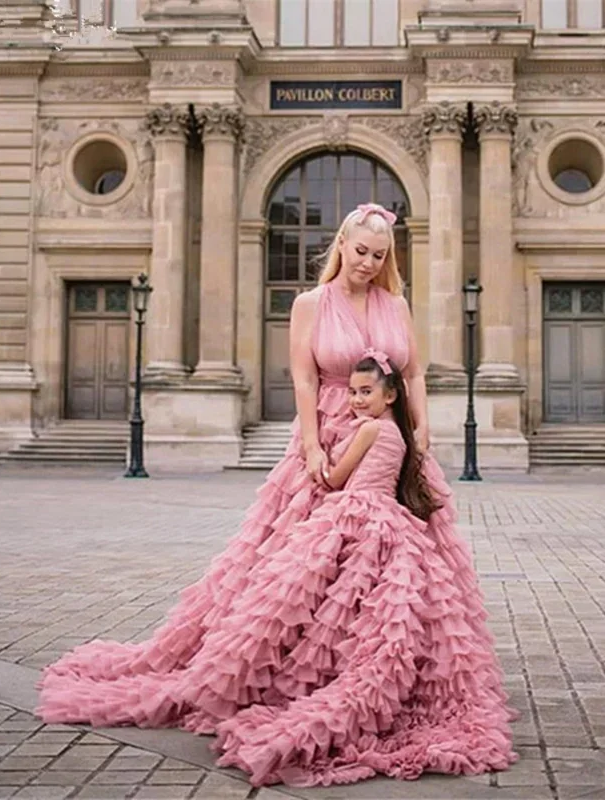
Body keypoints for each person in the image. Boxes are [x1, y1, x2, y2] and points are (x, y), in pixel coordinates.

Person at [36, 203, 517, 787]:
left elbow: (412, 373)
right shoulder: (311, 305)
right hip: (332, 433)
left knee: (405, 564)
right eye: (360, 250)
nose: (368, 263)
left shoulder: (396, 304)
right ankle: (296, 670)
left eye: (379, 255)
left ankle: (400, 674)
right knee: (301, 565)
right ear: (341, 243)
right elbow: (306, 379)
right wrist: (314, 448)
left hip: (392, 441)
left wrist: (421, 430)